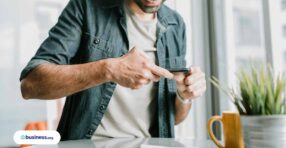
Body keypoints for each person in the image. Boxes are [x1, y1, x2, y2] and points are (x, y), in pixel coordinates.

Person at [20, 0, 206, 140]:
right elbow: (30, 85)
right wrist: (108, 69)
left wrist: (184, 95)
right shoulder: (86, 6)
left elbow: (173, 119)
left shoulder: (176, 24)